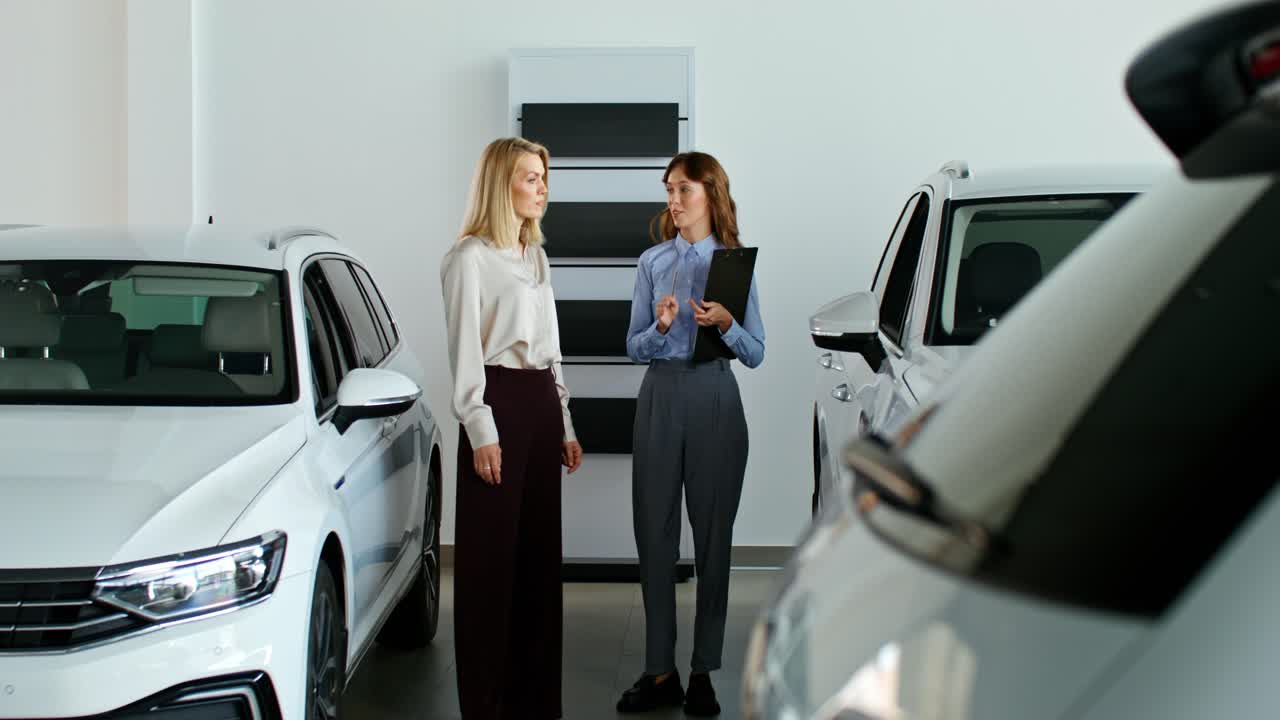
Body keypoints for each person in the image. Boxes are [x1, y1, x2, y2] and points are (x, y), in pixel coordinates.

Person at [616, 151, 765, 717]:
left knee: (713, 540)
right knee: (654, 538)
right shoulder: (652, 262)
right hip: (660, 395)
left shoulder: (735, 264)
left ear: (710, 194)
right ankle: (660, 671)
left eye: (684, 190)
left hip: (716, 397)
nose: (674, 201)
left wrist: (727, 324)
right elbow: (633, 347)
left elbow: (757, 352)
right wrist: (659, 326)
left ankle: (704, 670)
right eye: (669, 190)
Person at [440, 136, 584, 720]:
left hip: (540, 405)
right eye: (531, 177)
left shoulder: (535, 255)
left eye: (544, 177)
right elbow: (465, 352)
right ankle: (485, 704)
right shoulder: (468, 258)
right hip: (496, 404)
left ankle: (535, 703)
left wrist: (565, 421)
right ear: (503, 185)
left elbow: (551, 349)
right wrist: (480, 427)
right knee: (487, 569)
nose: (542, 187)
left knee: (538, 565)